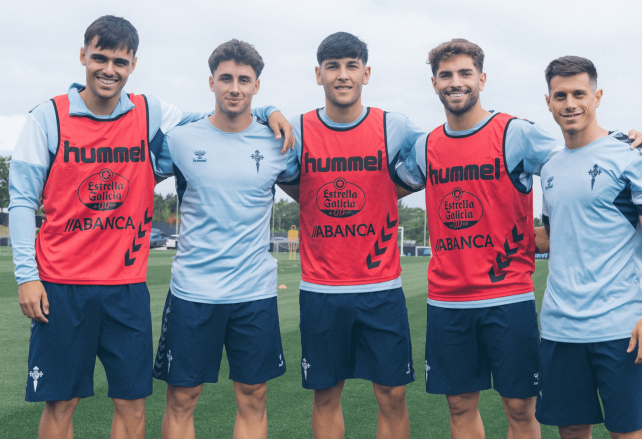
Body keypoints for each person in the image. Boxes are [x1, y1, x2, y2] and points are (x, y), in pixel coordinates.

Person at [9, 16, 291, 439]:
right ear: (82, 56)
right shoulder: (47, 118)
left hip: (127, 288)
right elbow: (21, 202)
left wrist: (268, 110)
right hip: (62, 284)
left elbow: (222, 114)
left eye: (119, 61)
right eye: (100, 57)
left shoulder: (150, 112)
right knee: (61, 403)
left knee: (133, 405)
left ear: (133, 64)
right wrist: (26, 276)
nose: (108, 69)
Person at [395, 39, 642, 439]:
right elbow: (381, 187)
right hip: (451, 299)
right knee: (462, 404)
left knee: (521, 407)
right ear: (434, 83)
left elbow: (585, 154)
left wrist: (638, 143)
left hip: (511, 297)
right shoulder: (426, 144)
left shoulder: (521, 135)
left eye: (465, 73)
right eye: (446, 75)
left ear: (481, 78)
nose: (456, 82)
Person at [277, 32, 426, 439]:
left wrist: (388, 192)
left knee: (393, 394)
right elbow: (285, 177)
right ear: (318, 74)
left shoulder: (393, 125)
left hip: (382, 288)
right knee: (325, 395)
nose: (342, 75)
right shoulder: (299, 128)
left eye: (351, 66)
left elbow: (441, 151)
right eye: (333, 67)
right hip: (322, 289)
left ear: (366, 73)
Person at [152, 39, 298, 439]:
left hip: (254, 291)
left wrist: (271, 114)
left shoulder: (279, 142)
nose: (235, 87)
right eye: (226, 79)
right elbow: (136, 180)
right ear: (211, 82)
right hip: (193, 291)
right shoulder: (181, 140)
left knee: (253, 396)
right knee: (182, 398)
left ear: (256, 86)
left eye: (244, 80)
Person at [535, 55, 642, 439]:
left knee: (627, 431)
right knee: (571, 429)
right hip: (559, 328)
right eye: (560, 95)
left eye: (578, 93)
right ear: (548, 101)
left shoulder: (633, 155)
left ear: (597, 95)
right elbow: (555, 238)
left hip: (621, 327)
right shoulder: (551, 167)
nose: (569, 103)